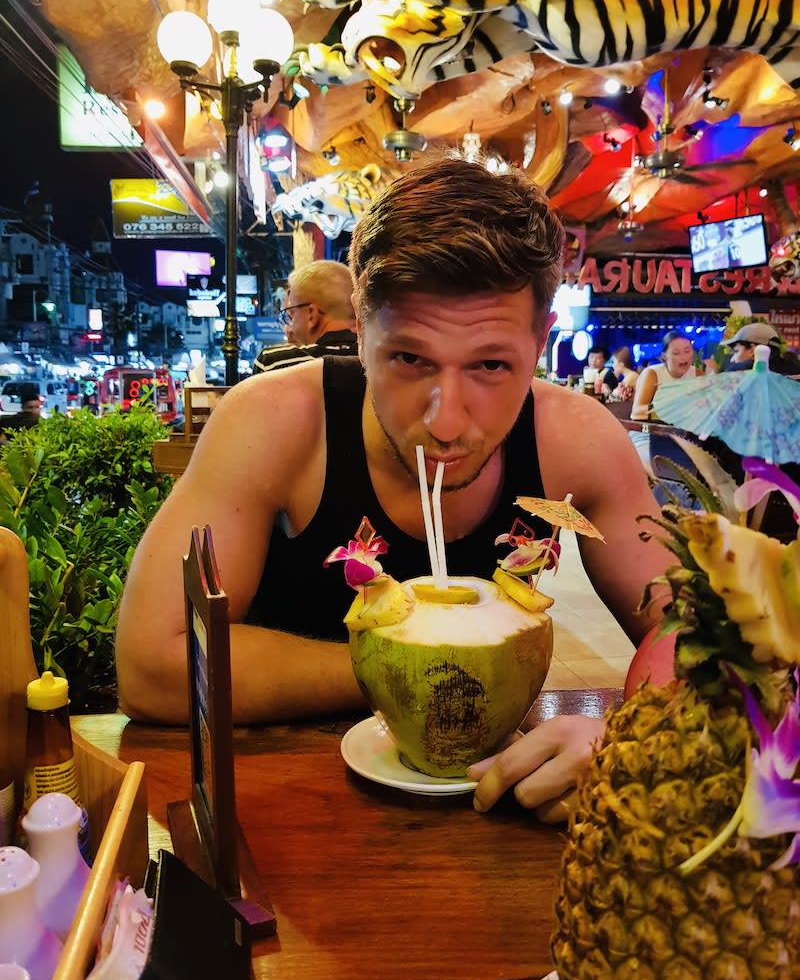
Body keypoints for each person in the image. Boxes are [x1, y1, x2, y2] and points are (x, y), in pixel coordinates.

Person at [116, 154, 671, 820]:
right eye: (409, 357)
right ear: (360, 324)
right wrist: (412, 670)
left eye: (492, 365)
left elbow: (699, 638)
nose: (446, 422)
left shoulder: (577, 441)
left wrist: (621, 739)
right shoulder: (276, 424)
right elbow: (153, 663)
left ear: (541, 337)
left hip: (503, 811)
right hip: (289, 816)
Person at [253, 260, 358, 373]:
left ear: (311, 315)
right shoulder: (369, 360)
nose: (289, 328)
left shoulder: (273, 365)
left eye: (292, 314)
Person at [630, 330, 697, 420]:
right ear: (664, 356)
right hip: (654, 427)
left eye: (687, 351)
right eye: (676, 353)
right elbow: (637, 412)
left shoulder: (698, 374)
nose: (683, 357)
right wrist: (671, 410)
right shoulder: (652, 374)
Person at [721, 321, 800, 377]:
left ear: (752, 349)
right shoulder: (795, 370)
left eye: (736, 351)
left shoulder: (738, 372)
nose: (732, 359)